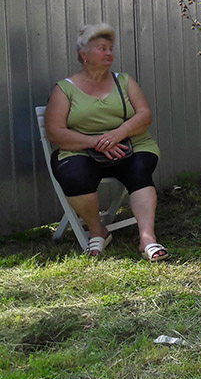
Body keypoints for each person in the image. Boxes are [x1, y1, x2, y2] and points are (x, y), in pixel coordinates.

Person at [44, 23, 168, 260]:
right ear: (84, 54)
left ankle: (147, 238)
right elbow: (55, 132)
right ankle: (97, 230)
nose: (109, 53)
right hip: (81, 149)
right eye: (102, 48)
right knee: (74, 176)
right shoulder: (65, 89)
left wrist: (117, 135)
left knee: (140, 169)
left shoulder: (124, 81)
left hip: (131, 144)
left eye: (110, 49)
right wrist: (96, 142)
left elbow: (144, 115)